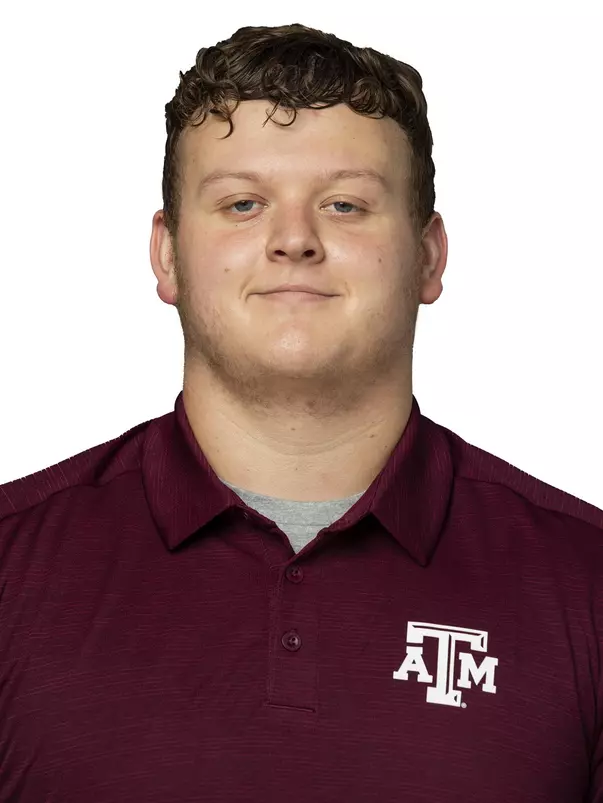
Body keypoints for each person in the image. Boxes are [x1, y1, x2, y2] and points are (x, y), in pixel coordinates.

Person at [0, 22, 601, 803]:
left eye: (345, 204)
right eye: (243, 203)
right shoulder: (13, 570)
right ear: (167, 254)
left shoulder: (586, 585)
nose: (294, 239)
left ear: (427, 256)